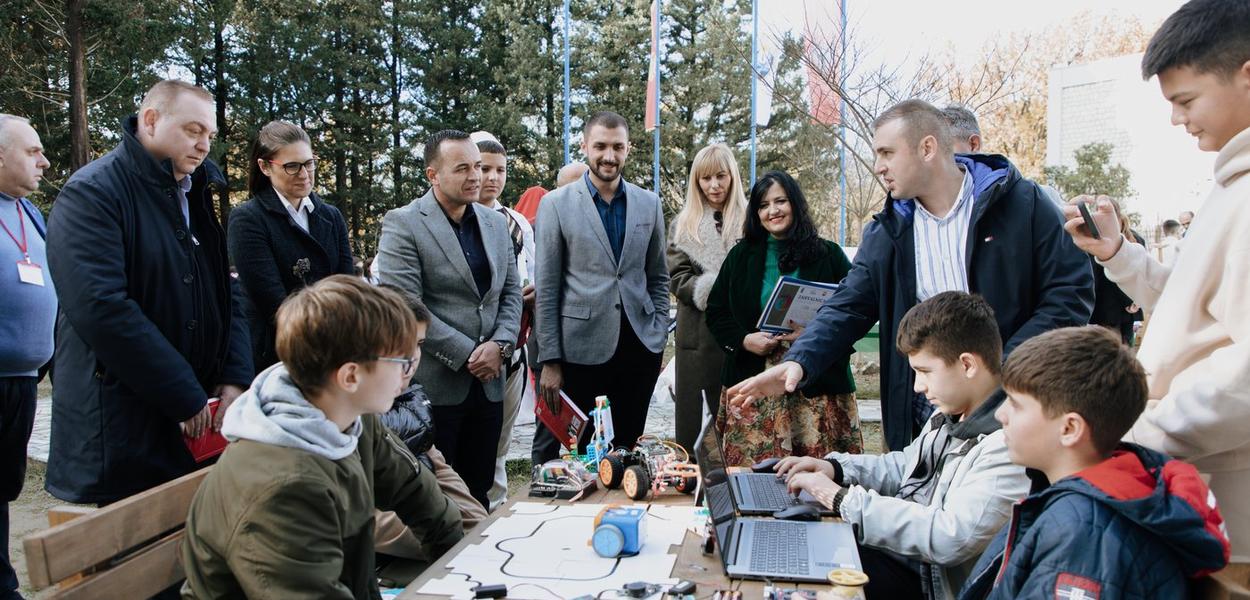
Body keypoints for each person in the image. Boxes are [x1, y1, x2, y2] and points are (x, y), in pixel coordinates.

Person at [729, 99, 1093, 452]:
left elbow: (1069, 294)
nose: (877, 166)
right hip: (921, 405)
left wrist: (1003, 369)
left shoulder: (1025, 204)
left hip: (1012, 397)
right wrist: (800, 360)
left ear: (928, 148)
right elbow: (849, 306)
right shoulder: (888, 230)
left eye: (887, 153)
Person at [1062, 0, 1250, 561]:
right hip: (1204, 484)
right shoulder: (1229, 186)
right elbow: (1199, 314)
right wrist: (1119, 255)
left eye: (1186, 100)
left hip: (1233, 509)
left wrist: (1140, 434)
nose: (1177, 119)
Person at [180, 275, 463, 599]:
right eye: (401, 360)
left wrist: (462, 566)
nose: (410, 369)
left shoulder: (352, 419)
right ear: (351, 375)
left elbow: (416, 494)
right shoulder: (285, 488)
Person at [45, 79, 252, 505]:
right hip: (123, 422)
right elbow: (101, 308)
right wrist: (183, 393)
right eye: (193, 130)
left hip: (194, 421)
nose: (203, 145)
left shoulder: (194, 194)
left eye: (209, 135)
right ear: (152, 120)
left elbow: (224, 292)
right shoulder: (92, 193)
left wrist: (234, 376)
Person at [778, 292, 1029, 599]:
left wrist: (841, 500)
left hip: (927, 585)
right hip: (905, 562)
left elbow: (950, 536)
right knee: (800, 550)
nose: (917, 387)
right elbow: (907, 466)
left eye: (925, 372)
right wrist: (836, 468)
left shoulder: (1008, 445)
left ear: (967, 364)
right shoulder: (950, 412)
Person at [959, 326, 1230, 599]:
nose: (1000, 414)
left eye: (1016, 404)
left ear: (1069, 429)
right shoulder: (1087, 502)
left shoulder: (1082, 533)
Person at [376, 129, 522, 508]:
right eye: (462, 168)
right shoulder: (404, 223)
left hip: (490, 383)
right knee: (436, 496)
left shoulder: (495, 224)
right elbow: (406, 303)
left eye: (477, 166)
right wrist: (470, 354)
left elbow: (510, 293)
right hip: (437, 385)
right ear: (432, 175)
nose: (476, 176)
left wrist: (501, 347)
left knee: (479, 491)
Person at [532, 111, 670, 464]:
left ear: (628, 149)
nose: (609, 156)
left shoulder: (649, 204)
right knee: (588, 459)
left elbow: (657, 276)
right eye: (601, 146)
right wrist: (550, 360)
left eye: (617, 147)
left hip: (639, 347)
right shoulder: (555, 205)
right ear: (585, 146)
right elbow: (547, 287)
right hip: (580, 351)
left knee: (627, 454)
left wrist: (656, 334)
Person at [705, 170, 860, 466]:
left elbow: (853, 311)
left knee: (814, 476)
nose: (772, 211)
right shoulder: (740, 256)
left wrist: (813, 335)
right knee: (753, 477)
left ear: (796, 204)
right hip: (754, 380)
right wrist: (743, 340)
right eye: (763, 205)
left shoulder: (829, 254)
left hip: (815, 382)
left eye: (780, 201)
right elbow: (716, 311)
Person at [228, 120, 354, 374]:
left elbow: (347, 284)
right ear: (264, 166)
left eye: (308, 163)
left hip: (336, 350)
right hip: (278, 355)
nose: (305, 174)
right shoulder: (248, 219)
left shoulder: (330, 216)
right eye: (292, 166)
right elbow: (273, 302)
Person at [0, 113, 53, 599]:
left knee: (3, 490)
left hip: (24, 380)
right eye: (32, 151)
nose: (44, 160)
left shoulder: (30, 212)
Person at [666, 143, 747, 454]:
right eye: (705, 179)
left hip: (743, 336)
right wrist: (717, 288)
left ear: (733, 177)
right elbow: (678, 279)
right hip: (699, 339)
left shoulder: (752, 221)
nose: (714, 186)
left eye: (721, 177)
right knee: (697, 431)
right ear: (696, 182)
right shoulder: (683, 225)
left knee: (742, 425)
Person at [474, 137, 537, 510]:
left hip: (512, 345)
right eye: (483, 168)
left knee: (501, 438)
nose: (492, 177)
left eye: (500, 170)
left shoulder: (516, 224)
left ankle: (495, 510)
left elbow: (529, 273)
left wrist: (530, 293)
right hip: (467, 349)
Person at [1088, 199, 1145, 345]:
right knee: (1122, 346)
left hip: (1112, 305)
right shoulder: (1134, 237)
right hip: (1122, 304)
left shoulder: (1098, 240)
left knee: (1113, 349)